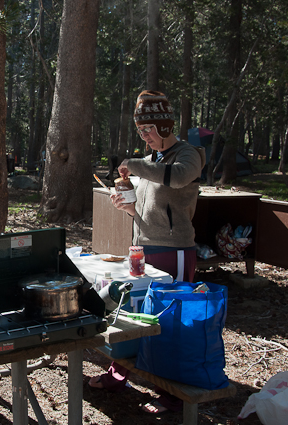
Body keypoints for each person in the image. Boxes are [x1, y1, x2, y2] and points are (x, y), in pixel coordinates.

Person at [89, 90, 206, 415]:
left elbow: (180, 179)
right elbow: (146, 210)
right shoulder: (152, 162)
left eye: (149, 129)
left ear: (166, 125)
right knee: (133, 313)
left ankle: (171, 393)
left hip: (175, 251)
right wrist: (127, 206)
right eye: (141, 131)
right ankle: (119, 374)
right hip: (143, 248)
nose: (145, 136)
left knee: (170, 320)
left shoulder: (189, 155)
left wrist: (135, 165)